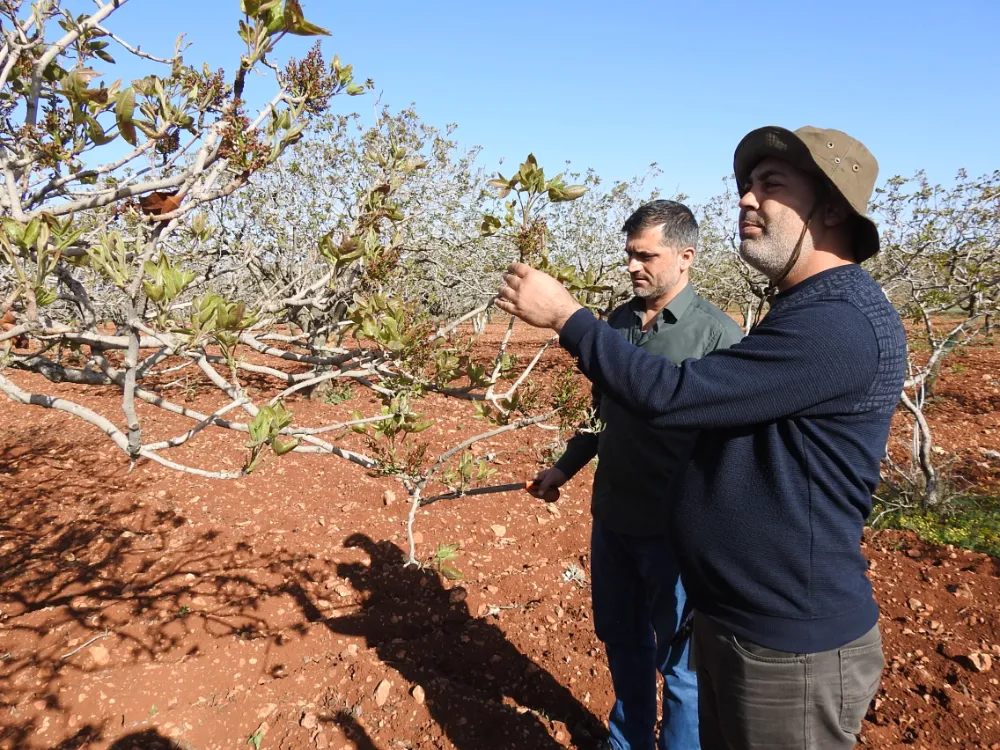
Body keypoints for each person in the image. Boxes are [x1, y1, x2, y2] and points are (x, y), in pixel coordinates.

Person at [496, 126, 906, 750]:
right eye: (745, 184)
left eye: (771, 185)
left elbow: (674, 395)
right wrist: (570, 463)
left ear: (830, 207)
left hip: (786, 638)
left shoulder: (836, 323)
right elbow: (613, 407)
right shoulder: (801, 312)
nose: (745, 198)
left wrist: (566, 317)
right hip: (737, 612)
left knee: (678, 678)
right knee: (632, 648)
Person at [531, 200, 742, 750]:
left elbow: (733, 452)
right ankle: (627, 742)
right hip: (614, 520)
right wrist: (564, 467)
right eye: (629, 254)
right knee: (622, 640)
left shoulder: (718, 336)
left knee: (681, 664)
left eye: (645, 255)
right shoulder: (617, 324)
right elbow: (602, 415)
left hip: (675, 534)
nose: (632, 266)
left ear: (685, 256)